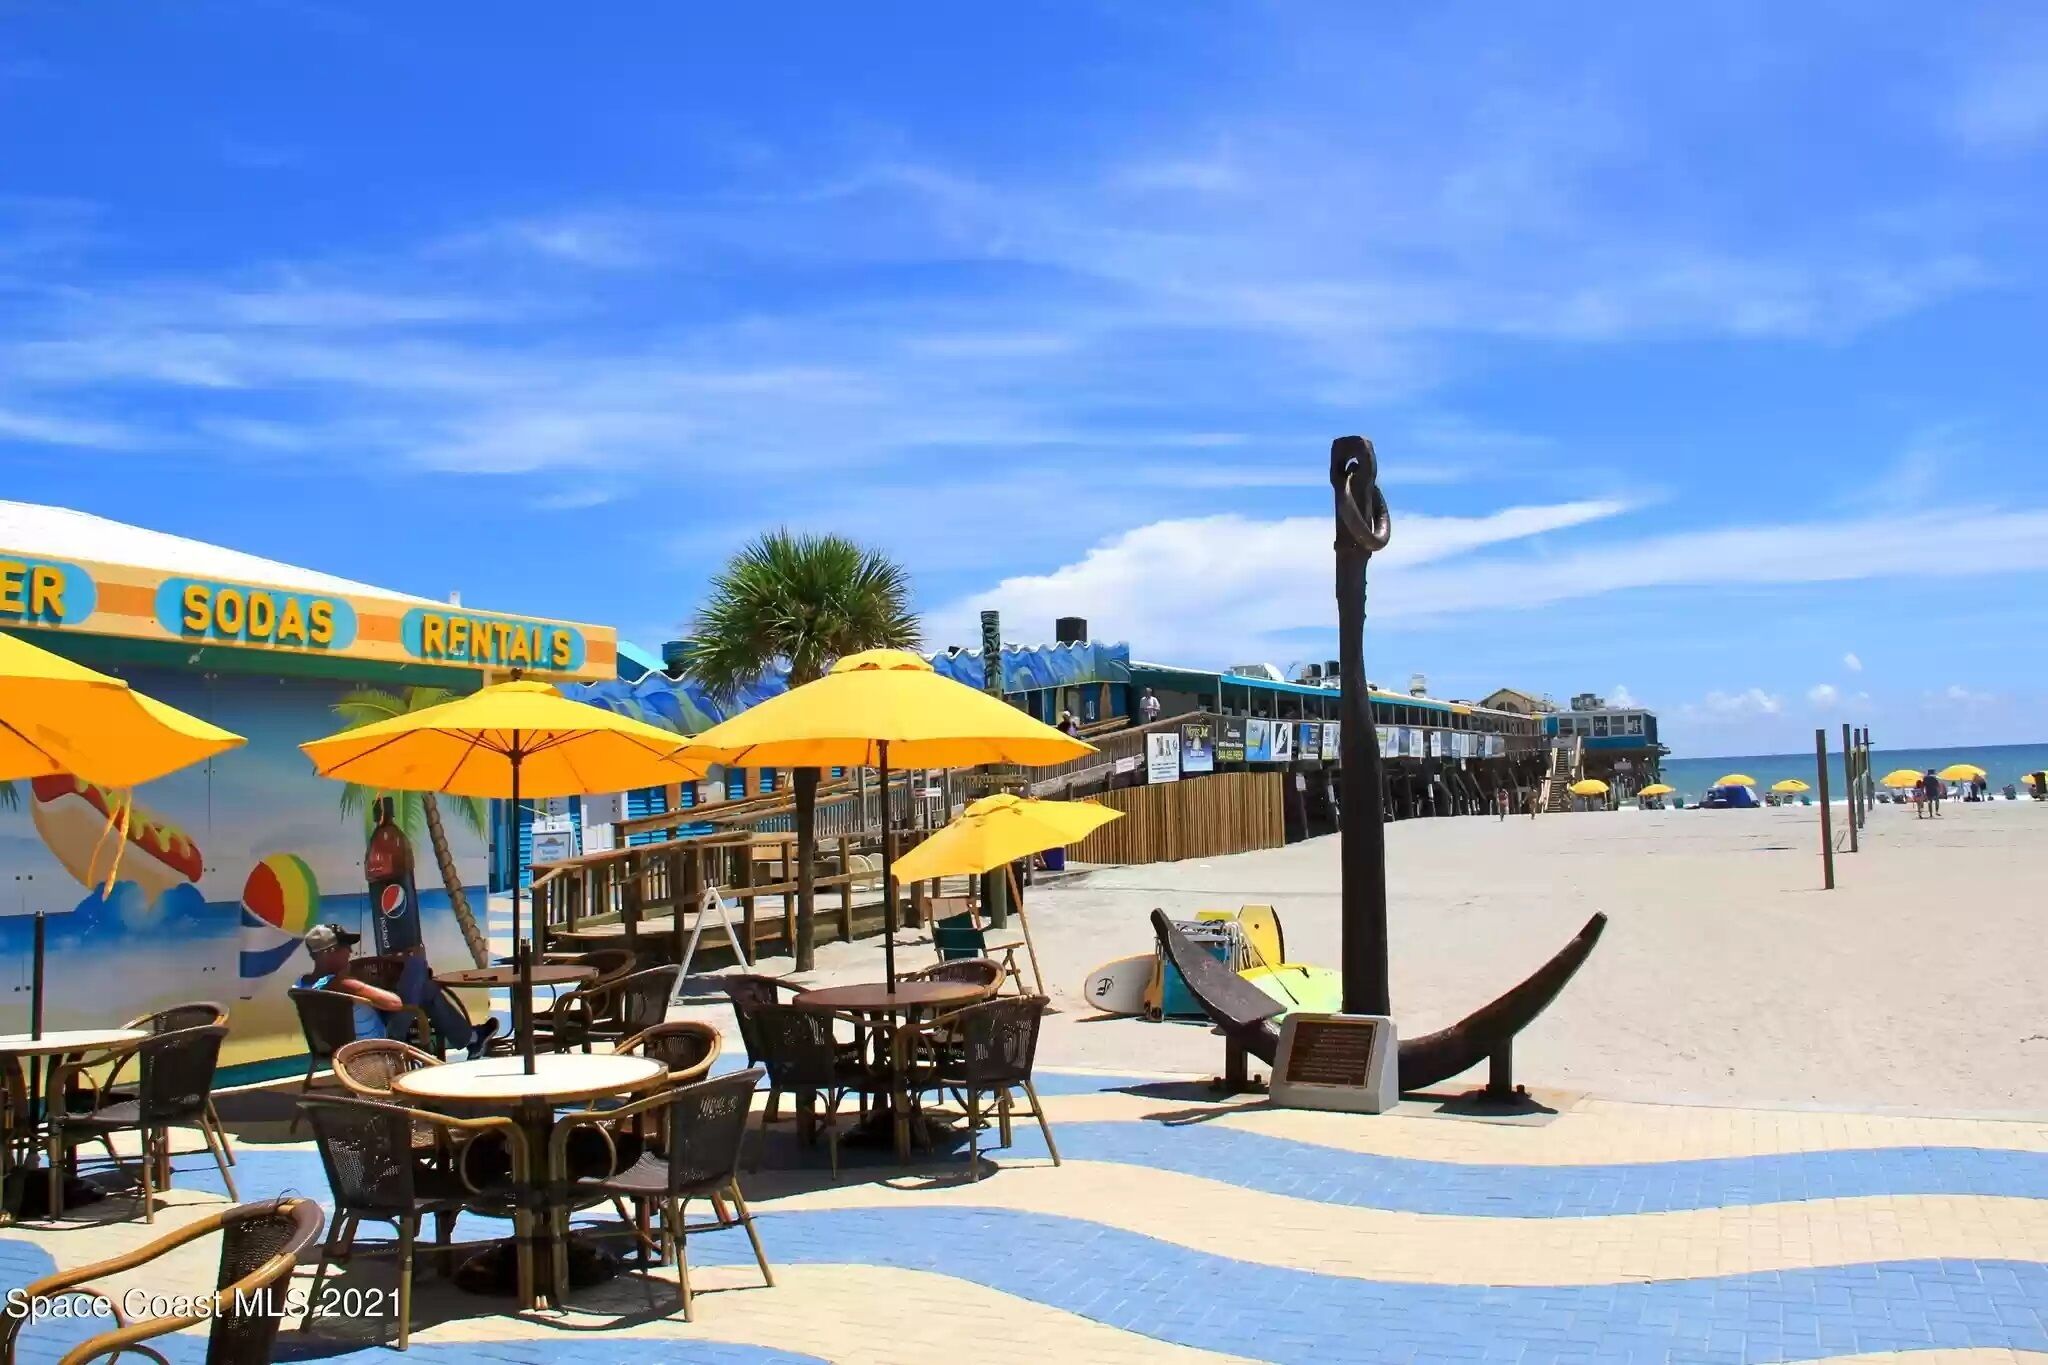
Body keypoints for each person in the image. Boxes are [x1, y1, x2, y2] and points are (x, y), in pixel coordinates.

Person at [298, 923, 497, 1059]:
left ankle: (471, 1038)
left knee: (426, 989)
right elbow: (395, 1004)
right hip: (379, 1044)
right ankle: (470, 1038)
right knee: (417, 964)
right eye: (345, 948)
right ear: (329, 953)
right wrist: (410, 966)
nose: (350, 952)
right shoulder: (343, 984)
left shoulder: (302, 985)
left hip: (340, 1046)